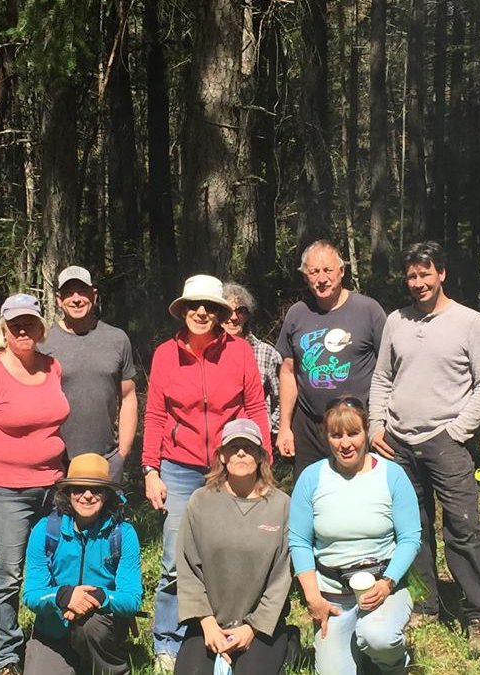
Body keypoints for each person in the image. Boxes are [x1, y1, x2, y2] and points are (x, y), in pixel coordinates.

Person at [368, 241, 480, 653]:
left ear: (441, 273)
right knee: (413, 527)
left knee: (462, 525)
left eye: (426, 274)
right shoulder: (396, 321)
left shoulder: (469, 322)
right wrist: (376, 425)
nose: (419, 282)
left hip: (447, 442)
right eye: (412, 276)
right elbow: (382, 379)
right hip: (399, 443)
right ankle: (424, 603)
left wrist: (459, 430)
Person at [142, 274, 272, 671]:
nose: (201, 312)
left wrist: (261, 460)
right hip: (178, 467)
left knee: (231, 549)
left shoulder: (240, 353)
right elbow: (156, 414)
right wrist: (151, 469)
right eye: (194, 306)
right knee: (173, 556)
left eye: (210, 307)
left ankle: (230, 627)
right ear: (182, 310)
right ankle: (168, 639)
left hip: (228, 464)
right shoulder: (165, 353)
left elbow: (256, 408)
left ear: (221, 313)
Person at [0, 293, 71, 675]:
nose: (23, 330)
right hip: (5, 490)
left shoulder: (53, 367)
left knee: (55, 565)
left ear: (41, 328)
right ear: (4, 330)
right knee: (8, 574)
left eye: (30, 323)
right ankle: (7, 655)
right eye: (15, 325)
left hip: (53, 485)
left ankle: (51, 644)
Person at [289, 396, 421, 675]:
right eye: (336, 435)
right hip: (333, 597)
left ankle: (395, 664)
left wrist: (387, 583)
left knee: (378, 637)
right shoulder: (311, 478)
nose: (345, 443)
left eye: (353, 433)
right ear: (327, 438)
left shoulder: (392, 475)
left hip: (385, 587)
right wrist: (313, 598)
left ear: (366, 433)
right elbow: (299, 541)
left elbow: (410, 537)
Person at [175, 419, 292, 675]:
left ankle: (285, 643)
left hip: (261, 627)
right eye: (234, 447)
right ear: (223, 457)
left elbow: (281, 577)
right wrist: (207, 623)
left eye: (249, 448)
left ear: (261, 457)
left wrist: (252, 628)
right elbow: (187, 567)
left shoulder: (281, 506)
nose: (241, 452)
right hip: (208, 623)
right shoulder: (201, 501)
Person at [22, 453, 142, 675]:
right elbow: (31, 594)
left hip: (99, 626)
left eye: (96, 489)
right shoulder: (45, 531)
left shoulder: (123, 534)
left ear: (107, 494)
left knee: (91, 625)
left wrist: (98, 597)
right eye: (78, 488)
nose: (87, 495)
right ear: (68, 493)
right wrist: (63, 596)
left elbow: (132, 599)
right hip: (53, 630)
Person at [276, 240, 386, 476]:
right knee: (310, 491)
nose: (321, 279)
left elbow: (388, 370)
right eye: (314, 272)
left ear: (342, 271)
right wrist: (285, 427)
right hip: (308, 427)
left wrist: (381, 423)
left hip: (355, 425)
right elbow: (287, 371)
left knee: (358, 491)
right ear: (305, 277)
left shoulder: (368, 311)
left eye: (328, 270)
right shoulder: (297, 314)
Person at [39, 265, 138, 483]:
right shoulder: (43, 343)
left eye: (82, 291)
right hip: (57, 460)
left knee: (107, 517)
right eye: (68, 293)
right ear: (58, 299)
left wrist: (122, 453)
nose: (76, 299)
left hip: (106, 458)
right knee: (59, 518)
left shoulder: (117, 339)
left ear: (94, 295)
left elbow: (129, 396)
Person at [221, 282, 282, 439]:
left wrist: (269, 429)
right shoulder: (206, 353)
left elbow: (281, 398)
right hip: (217, 439)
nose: (234, 317)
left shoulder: (267, 353)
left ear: (247, 315)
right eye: (228, 311)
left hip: (254, 440)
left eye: (240, 311)